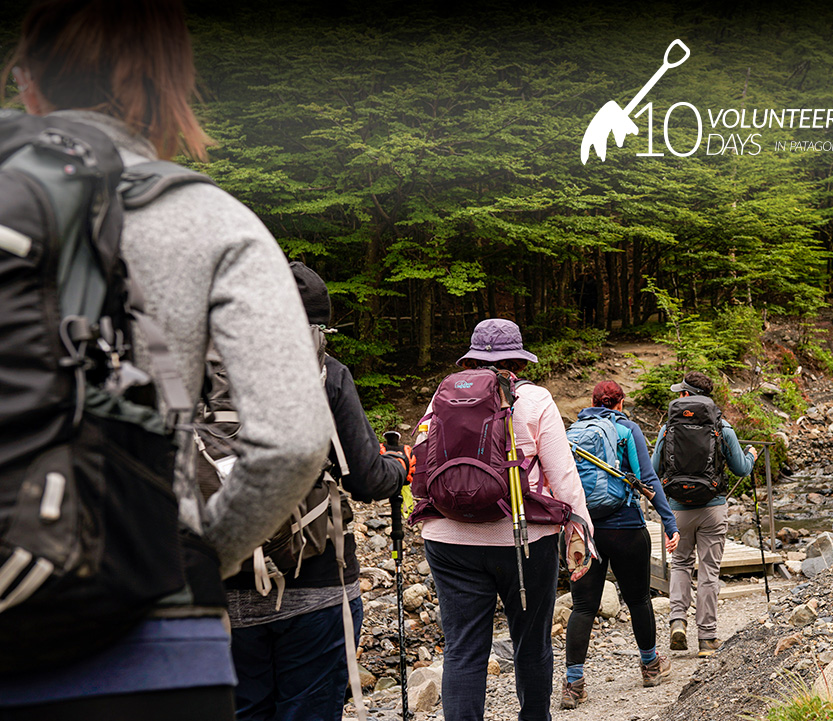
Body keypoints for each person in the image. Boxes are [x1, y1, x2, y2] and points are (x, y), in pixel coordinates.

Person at [0, 1, 333, 718]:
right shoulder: (213, 220)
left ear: (27, 84)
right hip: (154, 638)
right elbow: (294, 439)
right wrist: (195, 552)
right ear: (165, 89)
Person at [224, 263, 409, 721]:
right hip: (317, 583)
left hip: (223, 590)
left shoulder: (205, 378)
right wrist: (400, 467)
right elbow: (365, 478)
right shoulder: (325, 375)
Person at [416, 318, 593, 721]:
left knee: (463, 649)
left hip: (447, 538)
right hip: (523, 539)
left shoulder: (441, 398)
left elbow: (423, 462)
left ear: (472, 358)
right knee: (531, 644)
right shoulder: (536, 399)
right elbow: (563, 476)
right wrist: (580, 532)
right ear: (518, 359)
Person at [562, 381, 680, 709]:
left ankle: (573, 684)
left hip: (582, 531)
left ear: (593, 403)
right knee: (639, 599)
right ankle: (650, 666)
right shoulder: (627, 430)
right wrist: (669, 523)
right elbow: (648, 478)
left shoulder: (571, 433)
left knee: (583, 606)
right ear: (621, 403)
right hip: (626, 527)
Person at [651, 371, 757, 658]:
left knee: (681, 564)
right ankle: (707, 639)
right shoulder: (722, 427)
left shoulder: (667, 428)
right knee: (709, 571)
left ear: (685, 394)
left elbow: (653, 468)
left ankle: (677, 621)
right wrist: (752, 456)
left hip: (678, 510)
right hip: (713, 507)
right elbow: (741, 469)